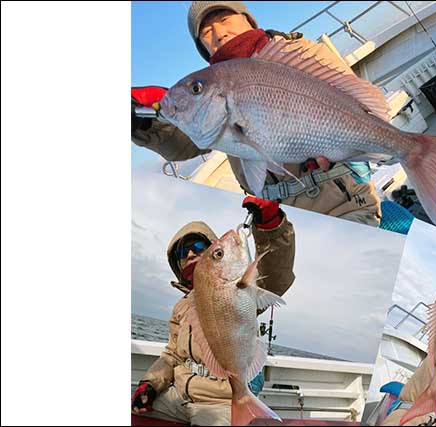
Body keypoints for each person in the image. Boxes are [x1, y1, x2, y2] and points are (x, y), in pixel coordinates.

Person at [132, 1, 381, 228]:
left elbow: (354, 101)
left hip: (343, 203)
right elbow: (186, 144)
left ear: (249, 20)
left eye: (225, 19)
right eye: (207, 32)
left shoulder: (299, 52)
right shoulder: (214, 90)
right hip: (278, 222)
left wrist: (342, 145)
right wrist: (142, 125)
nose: (219, 33)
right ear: (204, 48)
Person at [131, 196, 295, 426]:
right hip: (178, 396)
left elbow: (278, 276)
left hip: (219, 402)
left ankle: (242, 400)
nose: (189, 254)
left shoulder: (242, 288)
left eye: (198, 247)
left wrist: (271, 226)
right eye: (182, 253)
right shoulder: (182, 306)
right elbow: (171, 355)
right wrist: (149, 384)